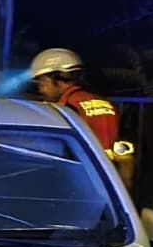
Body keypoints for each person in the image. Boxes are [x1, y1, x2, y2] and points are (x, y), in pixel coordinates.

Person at [28, 47, 136, 189]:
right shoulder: (105, 103)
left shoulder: (66, 108)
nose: (41, 89)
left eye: (43, 82)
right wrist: (125, 185)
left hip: (79, 179)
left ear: (59, 79)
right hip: (111, 178)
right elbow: (125, 151)